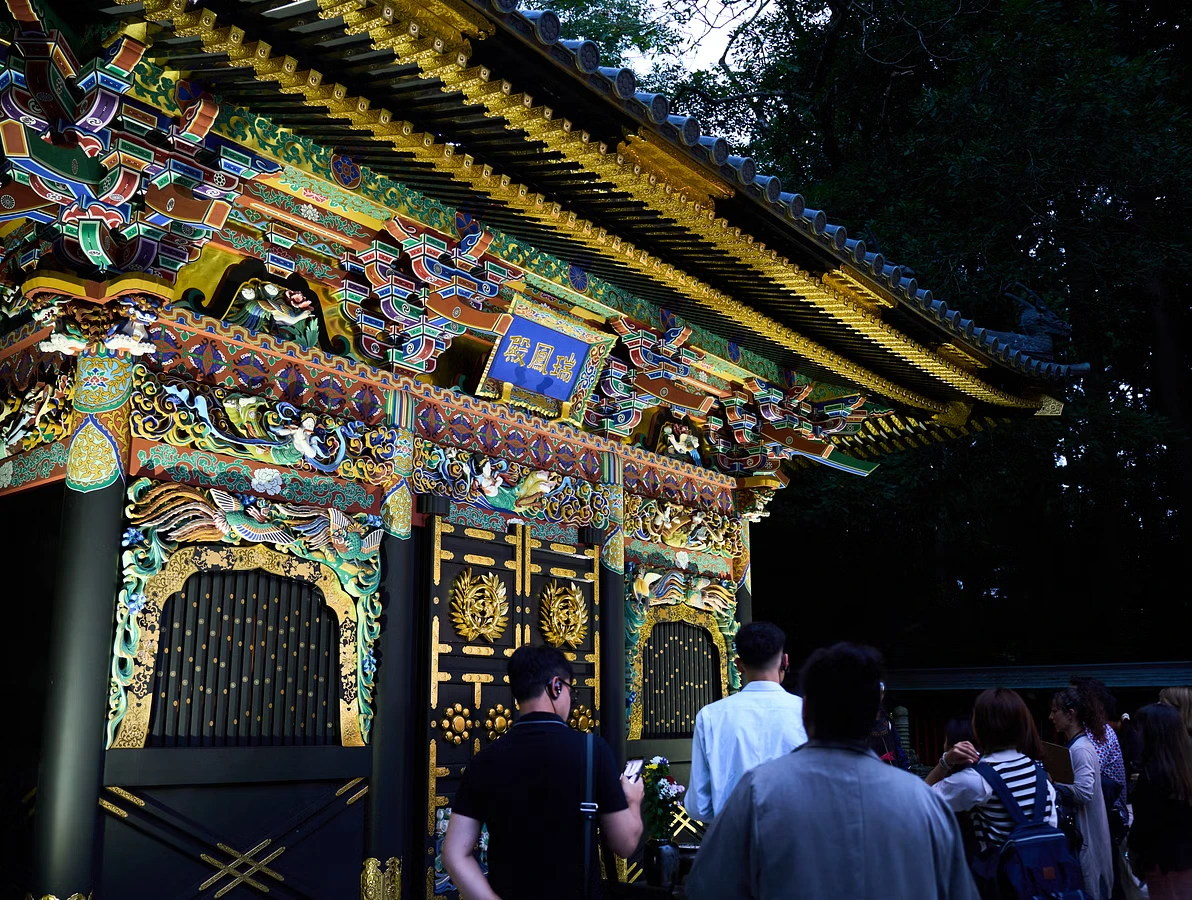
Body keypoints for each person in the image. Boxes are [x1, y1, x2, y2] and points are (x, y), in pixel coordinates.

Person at [685, 642, 979, 899]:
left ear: (805, 710)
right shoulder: (923, 801)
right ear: (875, 711)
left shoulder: (757, 791)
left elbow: (708, 888)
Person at [442, 645, 643, 900]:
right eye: (572, 691)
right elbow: (624, 844)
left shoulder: (485, 760)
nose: (571, 700)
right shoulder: (592, 752)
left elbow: (453, 854)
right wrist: (633, 800)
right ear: (556, 686)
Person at [684, 621, 806, 822]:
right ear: (785, 661)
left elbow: (699, 808)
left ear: (738, 665)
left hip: (733, 842)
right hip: (793, 842)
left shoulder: (710, 716)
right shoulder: (805, 712)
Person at [1051, 687, 1115, 900]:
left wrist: (1052, 784)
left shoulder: (1080, 749)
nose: (1051, 717)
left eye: (1055, 711)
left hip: (1089, 835)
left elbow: (1084, 792)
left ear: (1071, 714)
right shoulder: (1079, 745)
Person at [1126, 703, 1192, 899]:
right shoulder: (1184, 770)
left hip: (1163, 864)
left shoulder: (1152, 776)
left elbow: (1144, 826)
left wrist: (1135, 853)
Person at [868, 681, 912, 769]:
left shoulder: (888, 723)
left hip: (890, 773)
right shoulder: (859, 725)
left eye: (881, 694)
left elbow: (898, 751)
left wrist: (906, 770)